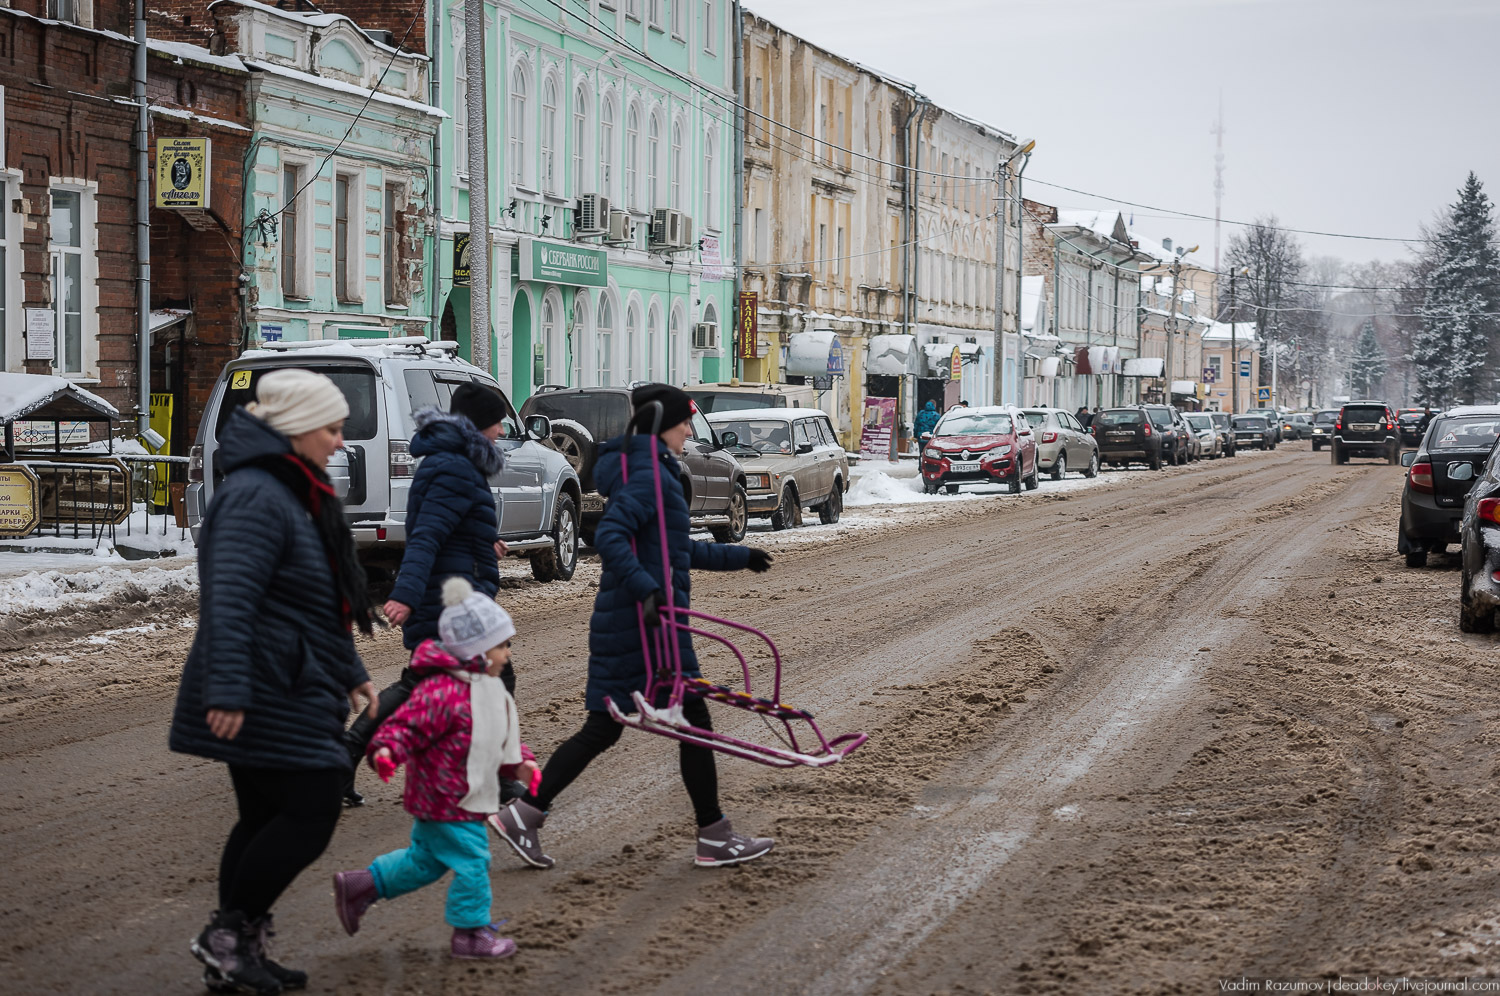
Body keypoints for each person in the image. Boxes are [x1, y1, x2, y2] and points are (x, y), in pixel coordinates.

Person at [490, 384, 776, 869]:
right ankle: (713, 835)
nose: (690, 428)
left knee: (606, 728)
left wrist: (739, 557)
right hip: (645, 627)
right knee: (691, 724)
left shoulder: (653, 471)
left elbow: (676, 549)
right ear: (663, 422)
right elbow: (613, 534)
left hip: (641, 623)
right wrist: (646, 589)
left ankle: (526, 814)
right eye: (685, 419)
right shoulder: (650, 476)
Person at [170, 369, 379, 996]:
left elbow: (313, 601)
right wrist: (228, 689)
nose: (342, 442)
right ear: (296, 430)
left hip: (288, 677)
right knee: (312, 808)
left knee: (262, 816)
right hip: (263, 684)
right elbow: (230, 597)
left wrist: (351, 672)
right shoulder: (259, 494)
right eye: (334, 429)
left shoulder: (295, 489)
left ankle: (238, 947)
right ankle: (228, 938)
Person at [332, 578, 539, 960]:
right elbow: (404, 726)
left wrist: (520, 761)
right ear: (475, 652)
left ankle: (362, 885)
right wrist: (387, 751)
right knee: (474, 860)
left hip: (451, 798)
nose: (507, 654)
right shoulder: (442, 691)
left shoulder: (487, 689)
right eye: (501, 645)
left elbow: (503, 734)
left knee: (424, 862)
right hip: (449, 798)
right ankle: (471, 934)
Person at [343, 384, 510, 807]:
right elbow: (426, 537)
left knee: (440, 680)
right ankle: (500, 777)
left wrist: (482, 540)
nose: (503, 429)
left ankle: (343, 757)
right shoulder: (453, 467)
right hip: (448, 596)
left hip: (457, 587)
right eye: (496, 421)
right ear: (476, 425)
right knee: (484, 678)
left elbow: (449, 525)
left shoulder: (454, 463)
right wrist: (407, 596)